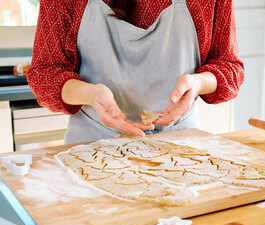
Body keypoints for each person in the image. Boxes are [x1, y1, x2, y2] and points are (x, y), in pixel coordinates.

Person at [27, 0, 244, 144]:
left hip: (181, 147)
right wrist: (91, 95)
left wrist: (197, 84)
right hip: (93, 146)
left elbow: (229, 67)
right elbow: (44, 73)